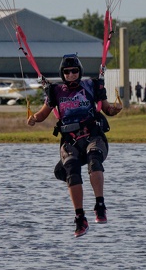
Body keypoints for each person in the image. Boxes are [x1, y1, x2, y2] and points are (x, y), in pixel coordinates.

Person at [27, 53, 122, 237]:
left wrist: (115, 109)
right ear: (63, 74)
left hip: (93, 135)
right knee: (71, 169)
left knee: (94, 160)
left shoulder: (92, 85)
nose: (71, 75)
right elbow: (42, 114)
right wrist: (33, 119)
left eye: (74, 71)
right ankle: (80, 218)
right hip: (70, 140)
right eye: (67, 72)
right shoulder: (55, 91)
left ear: (80, 72)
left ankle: (100, 205)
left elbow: (107, 108)